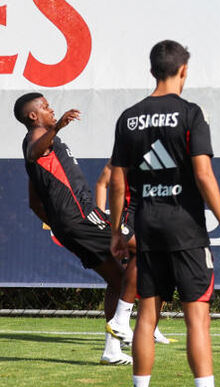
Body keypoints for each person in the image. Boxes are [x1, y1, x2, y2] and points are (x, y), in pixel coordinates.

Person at [109, 39, 220, 387]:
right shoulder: (190, 113)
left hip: (147, 229)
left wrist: (119, 229)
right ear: (182, 70)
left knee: (146, 318)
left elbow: (118, 181)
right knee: (196, 320)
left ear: (153, 69)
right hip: (185, 230)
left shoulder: (128, 117)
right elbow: (203, 174)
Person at [16, 93, 135, 365]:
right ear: (33, 116)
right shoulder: (36, 143)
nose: (50, 109)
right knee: (146, 248)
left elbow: (34, 202)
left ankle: (112, 350)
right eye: (44, 107)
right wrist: (57, 127)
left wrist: (60, 223)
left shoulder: (41, 152)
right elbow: (35, 150)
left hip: (70, 224)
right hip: (82, 218)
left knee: (117, 280)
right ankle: (121, 322)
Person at [95, 161, 174, 346]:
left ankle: (150, 328)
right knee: (120, 277)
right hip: (128, 221)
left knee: (157, 271)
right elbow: (102, 183)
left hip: (152, 220)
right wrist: (100, 217)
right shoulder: (130, 147)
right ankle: (115, 332)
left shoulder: (165, 151)